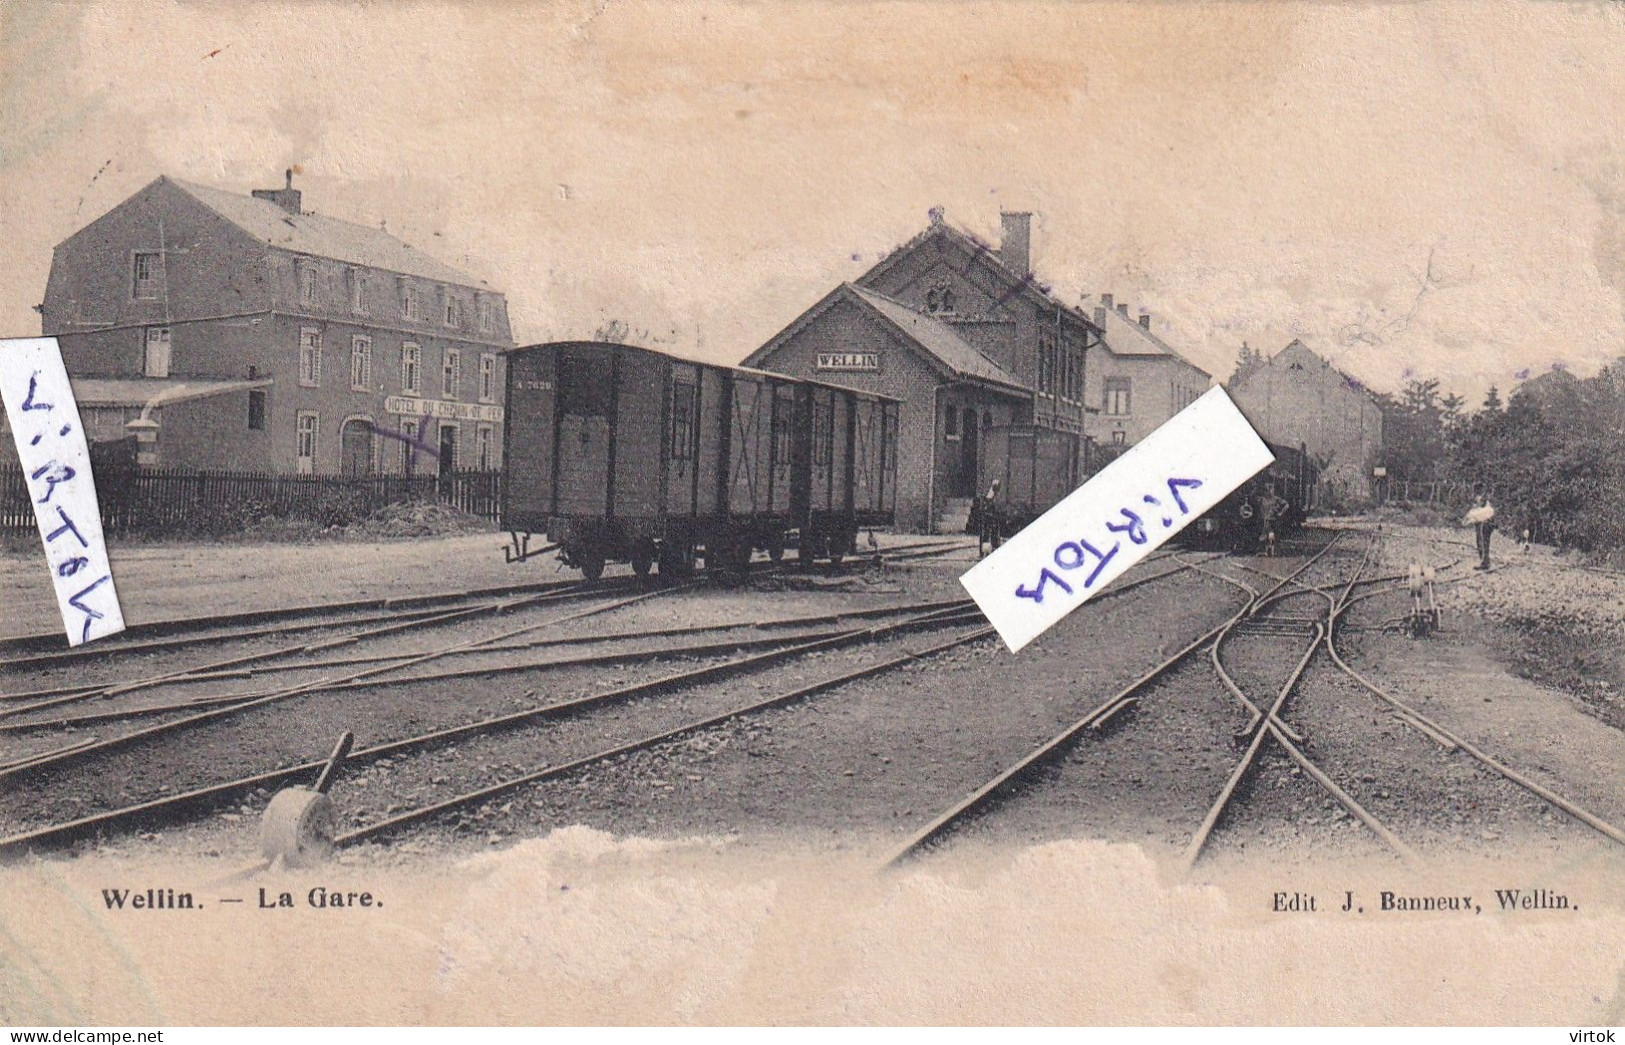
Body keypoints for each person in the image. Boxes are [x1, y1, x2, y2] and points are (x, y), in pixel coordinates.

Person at [1463, 487, 1496, 570]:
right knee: (1482, 542)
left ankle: (1484, 562)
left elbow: (1481, 512)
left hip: (1485, 523)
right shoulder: (1484, 500)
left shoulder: (1484, 500)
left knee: (1482, 541)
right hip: (1484, 522)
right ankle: (1484, 561)